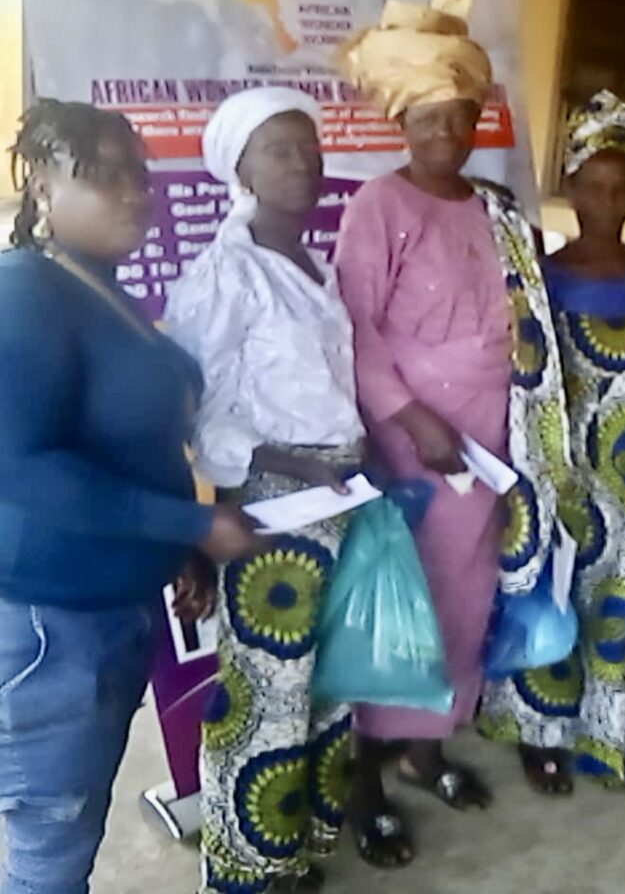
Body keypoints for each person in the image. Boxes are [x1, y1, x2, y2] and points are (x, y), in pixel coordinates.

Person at [334, 0, 572, 867]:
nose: (445, 133)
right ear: (402, 124)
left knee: (467, 606)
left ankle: (426, 753)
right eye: (428, 118)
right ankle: (366, 785)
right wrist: (411, 418)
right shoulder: (378, 207)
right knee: (397, 613)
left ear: (478, 123)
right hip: (412, 443)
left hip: (491, 444)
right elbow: (354, 330)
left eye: (459, 118)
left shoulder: (496, 210)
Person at [0, 100, 261, 894]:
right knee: (50, 845)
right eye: (104, 176)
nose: (133, 193)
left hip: (110, 610)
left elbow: (129, 444)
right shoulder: (24, 295)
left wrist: (178, 547)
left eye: (140, 176)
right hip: (50, 626)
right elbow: (20, 467)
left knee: (73, 823)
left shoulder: (98, 289)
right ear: (43, 188)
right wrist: (192, 522)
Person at [163, 87, 368, 893]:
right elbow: (200, 411)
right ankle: (243, 870)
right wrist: (294, 463)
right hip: (272, 507)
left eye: (310, 149)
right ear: (239, 170)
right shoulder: (224, 274)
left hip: (337, 498)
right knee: (266, 695)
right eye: (279, 151)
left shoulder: (315, 264)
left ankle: (294, 849)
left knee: (325, 688)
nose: (303, 164)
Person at [477, 90, 625, 804]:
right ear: (571, 189)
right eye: (593, 187)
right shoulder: (546, 278)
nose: (608, 202)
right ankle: (539, 734)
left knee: (614, 600)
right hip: (561, 466)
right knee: (553, 592)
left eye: (622, 188)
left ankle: (605, 731)